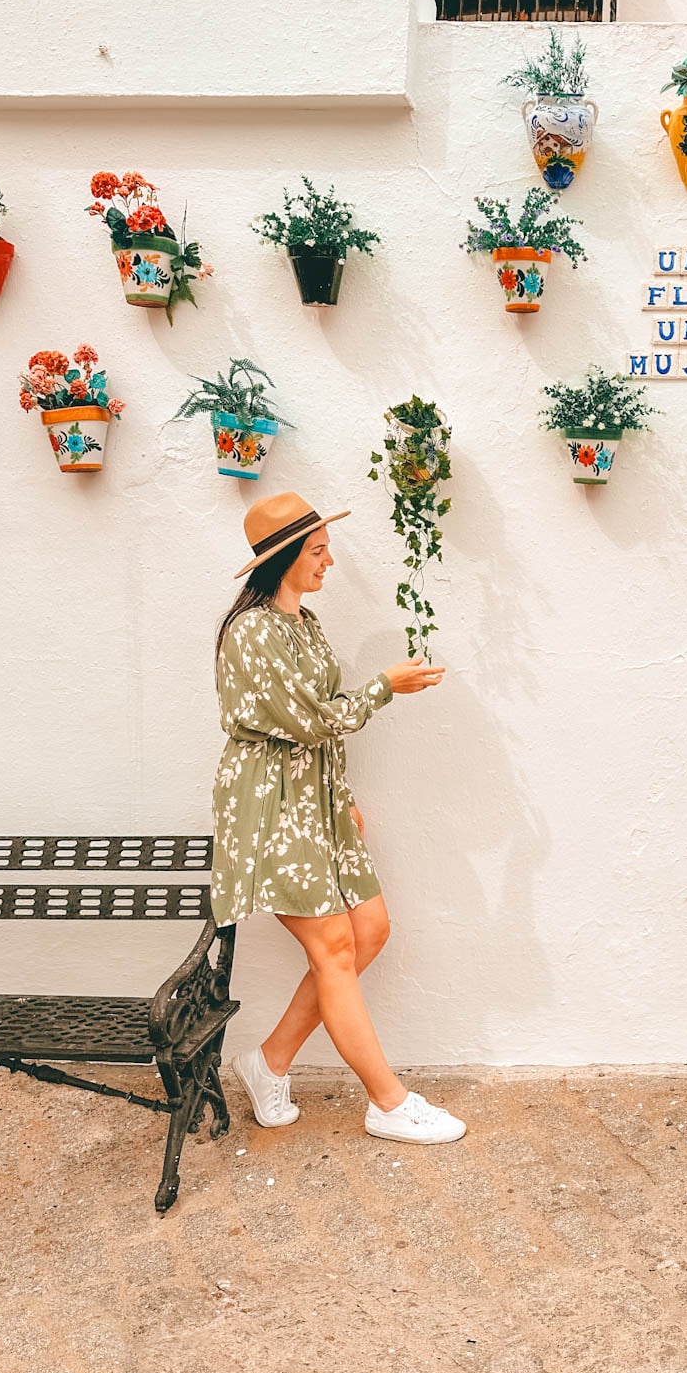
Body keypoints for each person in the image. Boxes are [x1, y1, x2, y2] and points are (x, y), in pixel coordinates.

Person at [210, 490, 465, 1146]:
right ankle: (388, 1101)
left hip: (316, 806)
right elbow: (310, 720)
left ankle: (267, 1064)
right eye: (318, 550)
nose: (329, 560)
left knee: (369, 930)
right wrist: (385, 687)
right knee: (334, 947)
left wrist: (338, 795)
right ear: (286, 558)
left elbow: (319, 726)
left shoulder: (304, 624)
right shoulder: (252, 633)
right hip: (272, 812)